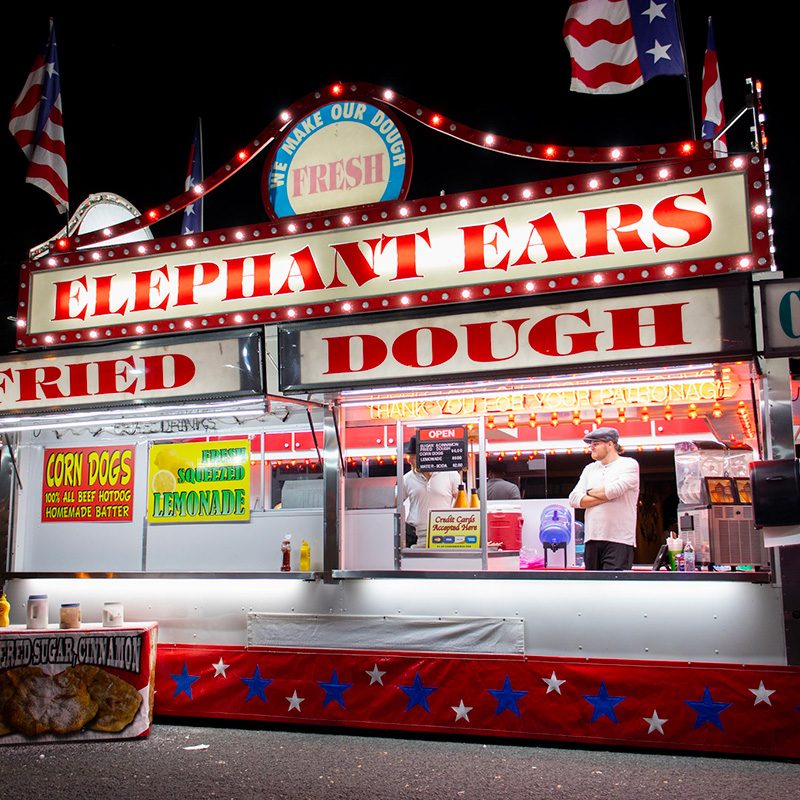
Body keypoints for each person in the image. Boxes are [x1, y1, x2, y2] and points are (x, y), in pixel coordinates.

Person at [568, 427, 640, 571]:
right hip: (592, 539)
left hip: (619, 540)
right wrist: (606, 495)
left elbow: (615, 490)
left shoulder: (629, 464)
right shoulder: (589, 469)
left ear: (610, 444)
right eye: (591, 445)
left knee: (615, 588)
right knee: (593, 589)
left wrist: (588, 493)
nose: (591, 448)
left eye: (596, 443)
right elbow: (574, 499)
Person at [402, 436, 461, 547]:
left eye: (413, 456)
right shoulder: (406, 479)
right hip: (416, 536)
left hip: (445, 535)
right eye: (409, 456)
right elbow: (394, 502)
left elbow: (462, 502)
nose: (409, 460)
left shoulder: (451, 474)